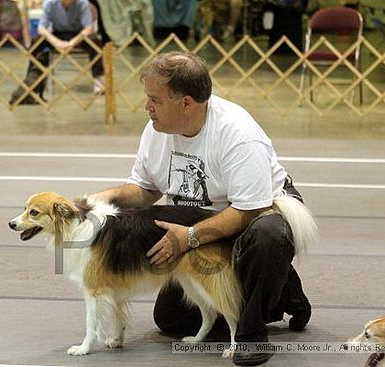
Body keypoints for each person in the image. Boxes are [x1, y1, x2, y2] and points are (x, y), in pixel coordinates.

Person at [89, 51, 312, 366]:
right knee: (172, 321)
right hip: (196, 223)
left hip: (259, 212)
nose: (146, 106)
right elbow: (145, 190)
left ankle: (252, 333)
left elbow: (249, 210)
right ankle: (279, 292)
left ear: (186, 103)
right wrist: (90, 202)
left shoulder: (237, 134)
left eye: (155, 99)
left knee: (268, 235)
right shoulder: (156, 130)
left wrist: (190, 237)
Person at [11, 0, 105, 103]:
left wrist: (72, 43)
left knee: (95, 41)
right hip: (58, 34)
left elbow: (88, 28)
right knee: (37, 42)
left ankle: (98, 80)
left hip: (78, 35)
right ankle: (33, 82)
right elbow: (41, 28)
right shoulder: (49, 3)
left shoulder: (83, 3)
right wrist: (56, 42)